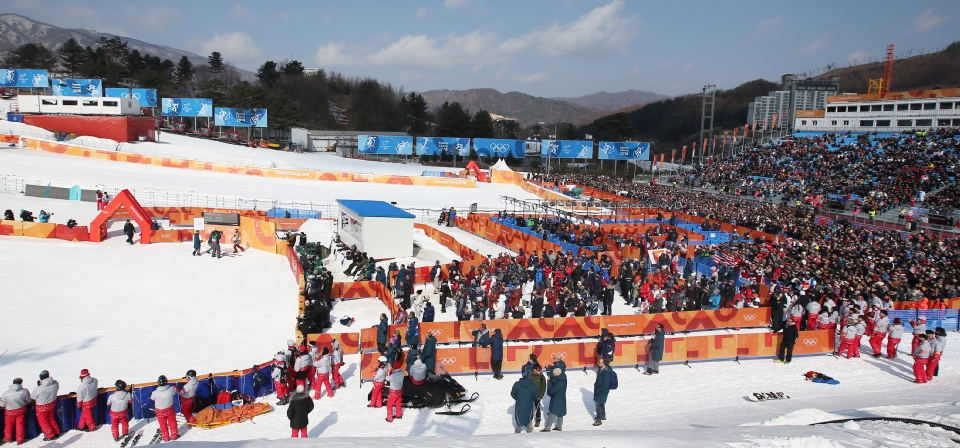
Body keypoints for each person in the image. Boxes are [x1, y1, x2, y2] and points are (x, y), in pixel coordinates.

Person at [31, 370, 60, 441]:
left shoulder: (38, 389)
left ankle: (50, 435)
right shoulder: (55, 383)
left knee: (43, 421)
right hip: (52, 403)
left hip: (42, 406)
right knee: (51, 418)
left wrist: (40, 386)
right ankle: (57, 432)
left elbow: (32, 397)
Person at [2, 378, 31, 445]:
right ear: (20, 383)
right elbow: (29, 401)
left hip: (9, 411)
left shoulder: (5, 393)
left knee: (8, 425)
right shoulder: (24, 391)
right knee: (20, 425)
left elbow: (2, 404)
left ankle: (8, 439)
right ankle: (20, 440)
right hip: (20, 410)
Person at [151, 375, 179, 442]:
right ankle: (174, 435)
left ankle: (165, 437)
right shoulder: (171, 389)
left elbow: (152, 398)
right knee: (172, 422)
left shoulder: (155, 393)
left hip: (160, 411)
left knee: (162, 424)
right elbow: (174, 392)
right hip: (170, 409)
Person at [510, 369, 538, 433]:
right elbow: (536, 397)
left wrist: (518, 399)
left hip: (519, 405)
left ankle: (517, 435)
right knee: (528, 419)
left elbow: (512, 394)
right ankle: (529, 434)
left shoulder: (517, 384)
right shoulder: (533, 386)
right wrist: (531, 400)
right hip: (529, 405)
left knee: (519, 419)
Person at [542, 362, 567, 432]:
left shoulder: (559, 383)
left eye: (554, 374)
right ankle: (559, 427)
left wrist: (549, 383)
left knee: (552, 413)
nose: (553, 375)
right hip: (562, 398)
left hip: (557, 399)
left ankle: (547, 427)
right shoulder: (563, 379)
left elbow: (553, 390)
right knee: (560, 413)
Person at [593, 359, 612, 426]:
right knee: (601, 403)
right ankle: (603, 415)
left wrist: (599, 389)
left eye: (599, 362)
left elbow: (605, 384)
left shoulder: (606, 372)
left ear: (604, 364)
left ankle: (598, 420)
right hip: (600, 389)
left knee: (598, 403)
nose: (598, 363)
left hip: (602, 390)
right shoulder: (601, 369)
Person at [530, 364, 546, 428]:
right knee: (529, 408)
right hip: (530, 395)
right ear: (534, 370)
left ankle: (538, 420)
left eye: (540, 370)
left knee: (537, 408)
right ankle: (528, 420)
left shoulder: (541, 376)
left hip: (537, 395)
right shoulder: (530, 376)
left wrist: (541, 396)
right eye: (539, 370)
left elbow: (544, 387)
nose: (540, 372)